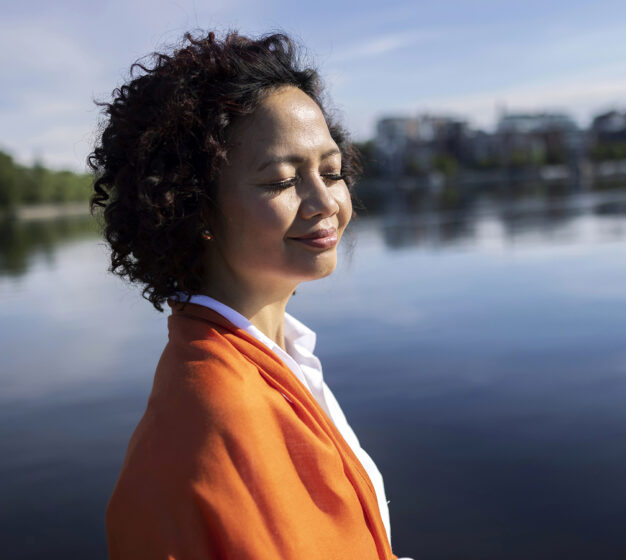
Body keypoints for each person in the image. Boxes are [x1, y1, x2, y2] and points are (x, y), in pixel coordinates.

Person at [90, 31, 408, 559]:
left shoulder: (270, 362)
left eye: (331, 172)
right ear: (195, 205)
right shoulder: (212, 417)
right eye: (281, 182)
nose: (324, 201)